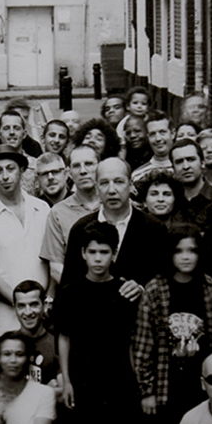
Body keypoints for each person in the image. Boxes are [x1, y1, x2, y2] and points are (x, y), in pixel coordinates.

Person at [54, 222, 141, 424]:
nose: (98, 258)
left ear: (114, 254)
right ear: (83, 254)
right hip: (83, 380)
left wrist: (134, 381)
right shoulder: (71, 292)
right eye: (92, 252)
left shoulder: (124, 292)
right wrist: (66, 380)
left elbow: (132, 340)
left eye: (105, 252)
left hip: (117, 380)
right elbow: (64, 337)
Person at [133, 225, 212, 424]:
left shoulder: (211, 289)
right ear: (169, 254)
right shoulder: (155, 290)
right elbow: (143, 346)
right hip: (168, 384)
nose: (186, 256)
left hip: (202, 384)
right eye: (179, 251)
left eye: (192, 250)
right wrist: (147, 391)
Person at [60, 157, 168, 298]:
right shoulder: (80, 229)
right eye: (104, 183)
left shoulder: (154, 229)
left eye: (118, 182)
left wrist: (142, 287)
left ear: (130, 186)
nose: (112, 190)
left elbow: (164, 277)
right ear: (97, 188)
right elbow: (68, 284)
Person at [0, 146, 50, 341]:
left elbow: (52, 259)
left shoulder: (42, 208)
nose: (5, 176)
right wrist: (24, 305)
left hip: (43, 316)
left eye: (10, 168)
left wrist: (42, 303)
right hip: (4, 321)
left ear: (22, 170)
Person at [40, 144, 101, 295]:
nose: (83, 171)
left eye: (88, 164)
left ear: (100, 167)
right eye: (76, 166)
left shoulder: (113, 204)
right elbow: (56, 268)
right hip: (77, 298)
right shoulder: (58, 212)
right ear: (69, 173)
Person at [10, 281, 59, 385]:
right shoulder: (5, 346)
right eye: (21, 306)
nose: (28, 312)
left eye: (34, 305)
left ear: (44, 305)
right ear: (14, 308)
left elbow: (64, 391)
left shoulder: (57, 345)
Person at [132, 113, 175, 187]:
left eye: (162, 132)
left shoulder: (183, 169)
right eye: (152, 134)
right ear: (148, 137)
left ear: (173, 133)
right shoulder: (138, 175)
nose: (158, 138)